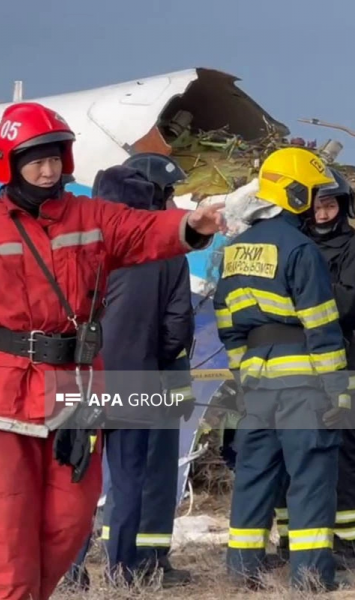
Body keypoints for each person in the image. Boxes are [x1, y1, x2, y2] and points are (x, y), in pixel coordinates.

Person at [0, 101, 224, 600]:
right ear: (10, 163)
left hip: (76, 389)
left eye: (56, 159)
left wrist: (189, 224)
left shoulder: (91, 217)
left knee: (71, 518)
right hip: (6, 392)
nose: (48, 171)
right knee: (9, 518)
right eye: (36, 160)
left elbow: (141, 231)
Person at [213, 146, 351, 592]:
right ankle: (310, 579)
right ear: (295, 194)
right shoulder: (300, 248)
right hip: (303, 383)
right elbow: (321, 324)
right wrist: (338, 392)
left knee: (254, 477)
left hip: (255, 382)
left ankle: (240, 573)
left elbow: (227, 325)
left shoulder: (233, 251)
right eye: (311, 195)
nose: (315, 205)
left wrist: (244, 377)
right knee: (310, 477)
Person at [64, 153, 196, 589]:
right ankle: (123, 573)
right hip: (138, 378)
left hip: (79, 378)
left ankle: (70, 570)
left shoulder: (75, 245)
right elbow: (178, 326)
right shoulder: (169, 253)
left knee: (75, 477)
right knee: (129, 480)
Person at [268, 168, 355, 569]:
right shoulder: (293, 246)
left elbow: (346, 307)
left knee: (343, 454)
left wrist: (307, 290)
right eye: (317, 205)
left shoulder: (352, 248)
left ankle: (347, 541)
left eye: (330, 205)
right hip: (294, 368)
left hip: (343, 365)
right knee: (292, 453)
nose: (322, 214)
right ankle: (294, 539)